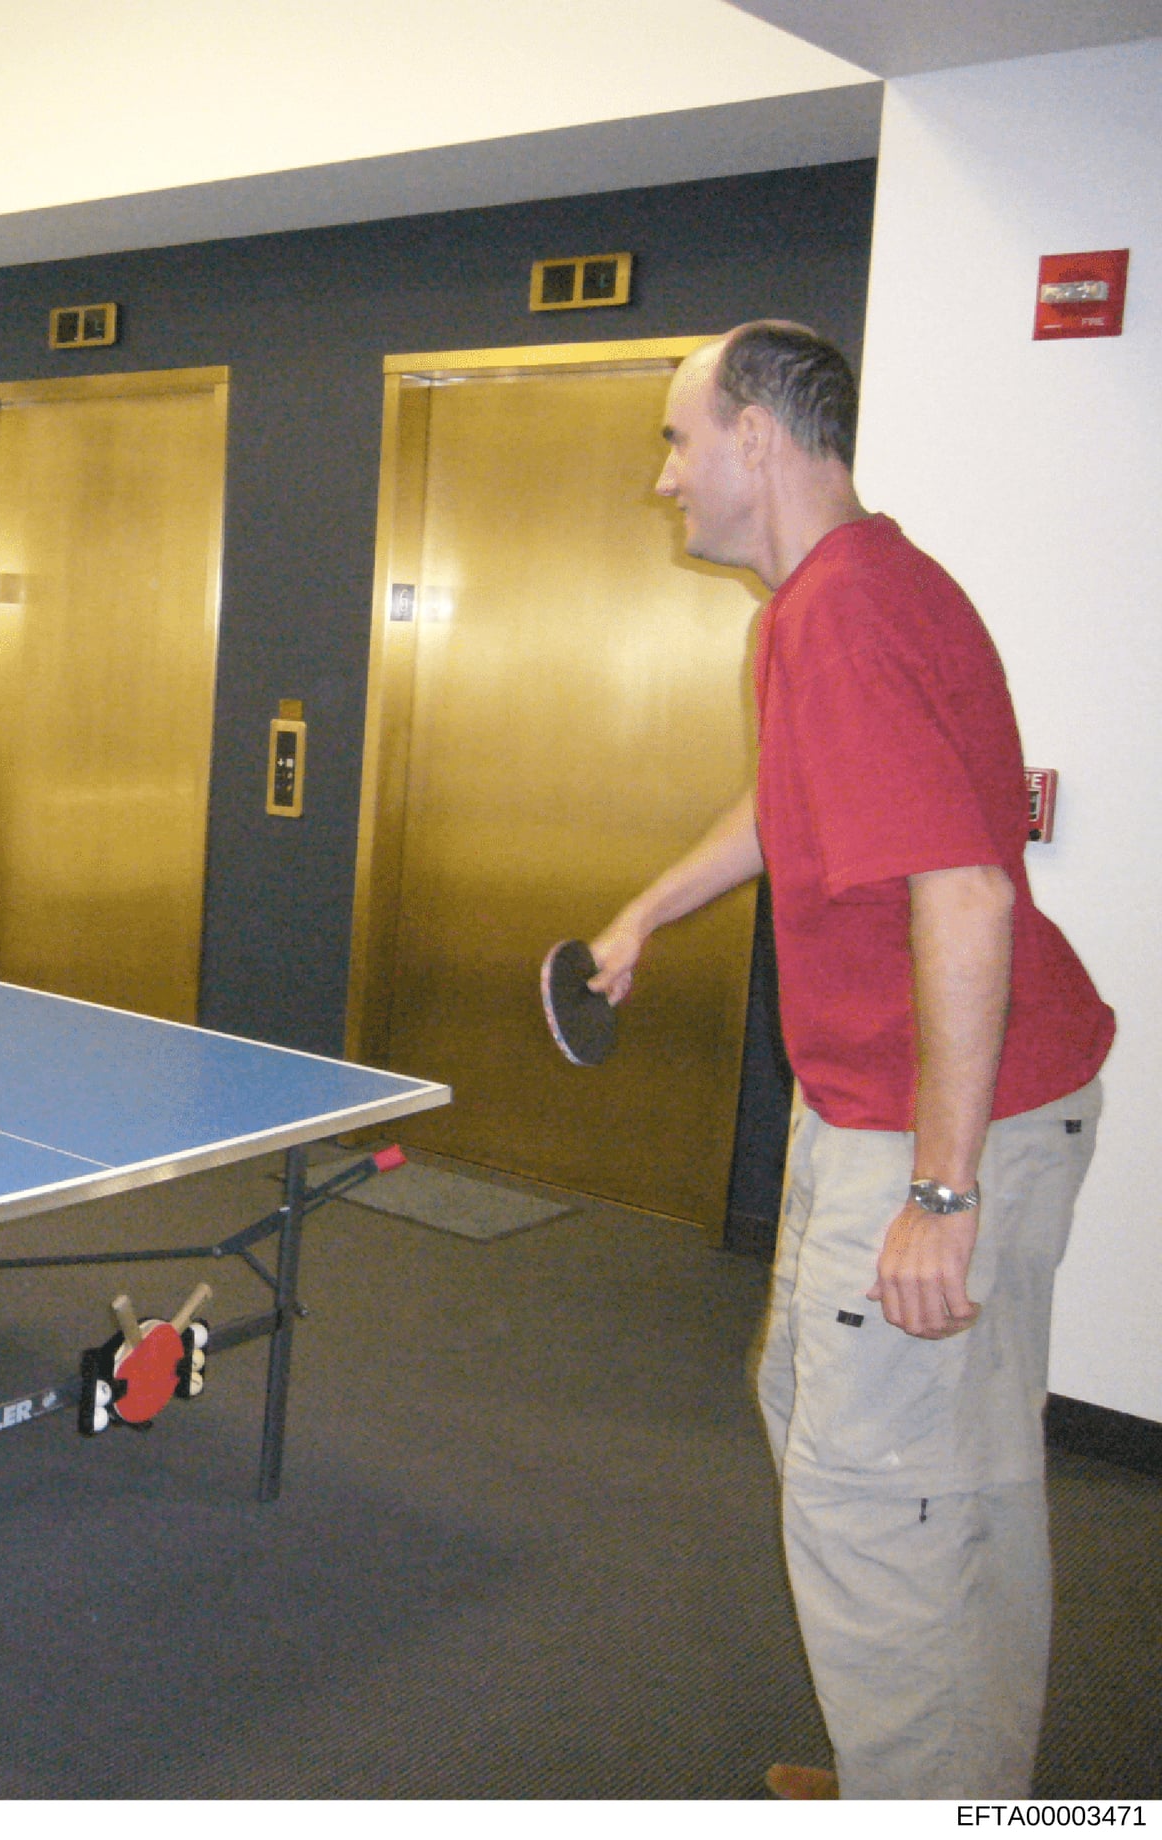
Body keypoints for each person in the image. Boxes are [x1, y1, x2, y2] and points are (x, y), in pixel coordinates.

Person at [585, 323, 1112, 1800]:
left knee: (877, 1495)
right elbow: (788, 806)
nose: (667, 475)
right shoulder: (845, 595)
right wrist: (648, 909)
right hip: (932, 1103)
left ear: (759, 435)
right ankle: (954, 1784)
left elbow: (966, 894)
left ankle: (920, 1797)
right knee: (949, 1475)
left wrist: (940, 1197)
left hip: (938, 1126)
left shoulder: (843, 612)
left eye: (681, 439)